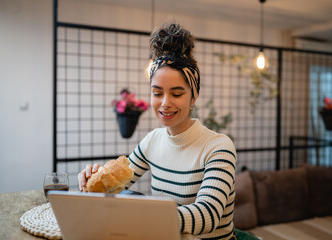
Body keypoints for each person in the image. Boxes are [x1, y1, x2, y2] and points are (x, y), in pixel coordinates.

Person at [78, 22, 237, 240]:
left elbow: (207, 216)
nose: (165, 103)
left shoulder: (218, 147)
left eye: (177, 93)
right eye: (157, 93)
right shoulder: (152, 141)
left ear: (193, 97)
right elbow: (116, 186)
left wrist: (143, 216)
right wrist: (95, 180)